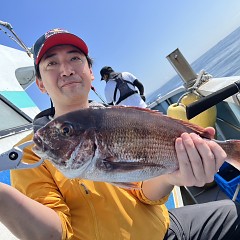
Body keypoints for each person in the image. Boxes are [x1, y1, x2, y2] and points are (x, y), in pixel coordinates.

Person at [0, 28, 239, 240]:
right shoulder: (30, 152)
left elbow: (143, 193)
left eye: (75, 58)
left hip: (166, 228)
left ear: (90, 72)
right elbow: (54, 234)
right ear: (41, 84)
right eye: (51, 63)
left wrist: (172, 176)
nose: (66, 70)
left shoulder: (117, 116)